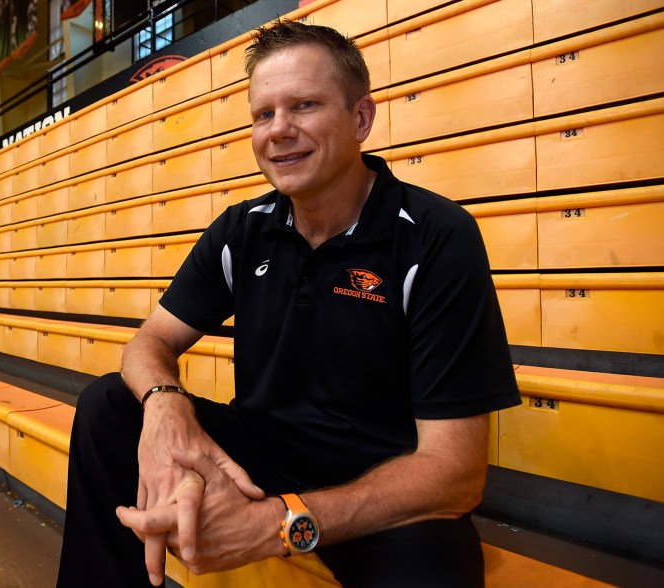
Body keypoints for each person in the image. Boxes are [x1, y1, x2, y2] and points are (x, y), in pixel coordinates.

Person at [57, 19, 521, 588]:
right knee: (108, 405)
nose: (279, 131)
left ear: (361, 118)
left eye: (303, 105)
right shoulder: (242, 229)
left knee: (435, 570)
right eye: (262, 114)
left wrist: (279, 523)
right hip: (260, 457)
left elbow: (455, 475)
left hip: (381, 480)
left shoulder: (435, 235)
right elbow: (150, 341)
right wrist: (163, 404)